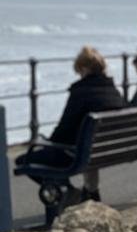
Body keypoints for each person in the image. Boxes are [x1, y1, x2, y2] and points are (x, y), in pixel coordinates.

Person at [15, 46, 125, 203]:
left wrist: (48, 142)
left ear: (85, 68)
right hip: (107, 149)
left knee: (23, 160)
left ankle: (68, 192)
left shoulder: (81, 92)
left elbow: (64, 128)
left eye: (79, 70)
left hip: (78, 155)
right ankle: (90, 193)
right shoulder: (113, 90)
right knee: (85, 148)